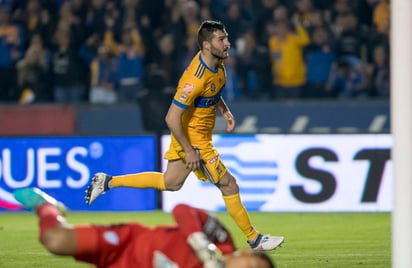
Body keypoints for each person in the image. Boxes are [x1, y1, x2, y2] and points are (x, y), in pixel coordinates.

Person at [85, 20, 284, 251]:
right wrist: (189, 150)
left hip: (196, 138)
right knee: (229, 185)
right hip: (195, 142)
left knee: (170, 182)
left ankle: (107, 181)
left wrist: (224, 110)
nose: (228, 43)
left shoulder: (217, 64)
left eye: (226, 37)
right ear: (207, 46)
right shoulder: (194, 79)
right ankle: (255, 239)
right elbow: (171, 118)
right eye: (222, 39)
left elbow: (212, 92)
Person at [13, 187, 277, 268]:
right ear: (245, 254)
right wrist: (201, 244)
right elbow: (182, 210)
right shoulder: (221, 240)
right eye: (252, 267)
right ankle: (47, 207)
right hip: (129, 241)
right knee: (55, 240)